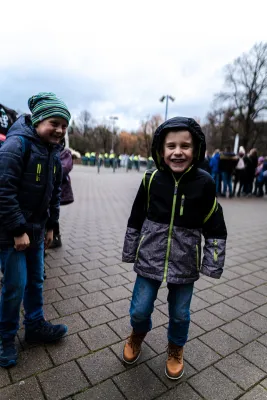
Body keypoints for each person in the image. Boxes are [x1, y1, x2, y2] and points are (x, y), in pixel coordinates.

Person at [122, 117, 227, 380]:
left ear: (197, 150)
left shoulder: (204, 183)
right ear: (160, 150)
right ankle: (137, 334)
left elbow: (215, 225)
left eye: (185, 146)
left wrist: (212, 263)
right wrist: (130, 249)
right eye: (170, 146)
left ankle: (176, 347)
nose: (177, 152)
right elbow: (136, 217)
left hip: (185, 263)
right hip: (149, 259)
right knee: (139, 309)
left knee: (180, 314)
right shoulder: (151, 180)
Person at [0, 92, 71, 368]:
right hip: (12, 233)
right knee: (15, 285)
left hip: (38, 231)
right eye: (54, 122)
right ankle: (5, 337)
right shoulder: (17, 146)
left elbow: (53, 192)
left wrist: (52, 224)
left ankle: (35, 325)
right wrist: (18, 229)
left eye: (64, 125)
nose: (60, 130)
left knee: (36, 281)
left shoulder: (53, 151)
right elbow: (3, 191)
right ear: (39, 120)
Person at [50, 139, 74, 248]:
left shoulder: (65, 152)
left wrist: (50, 170)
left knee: (52, 213)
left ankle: (55, 238)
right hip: (48, 189)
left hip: (59, 189)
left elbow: (65, 168)